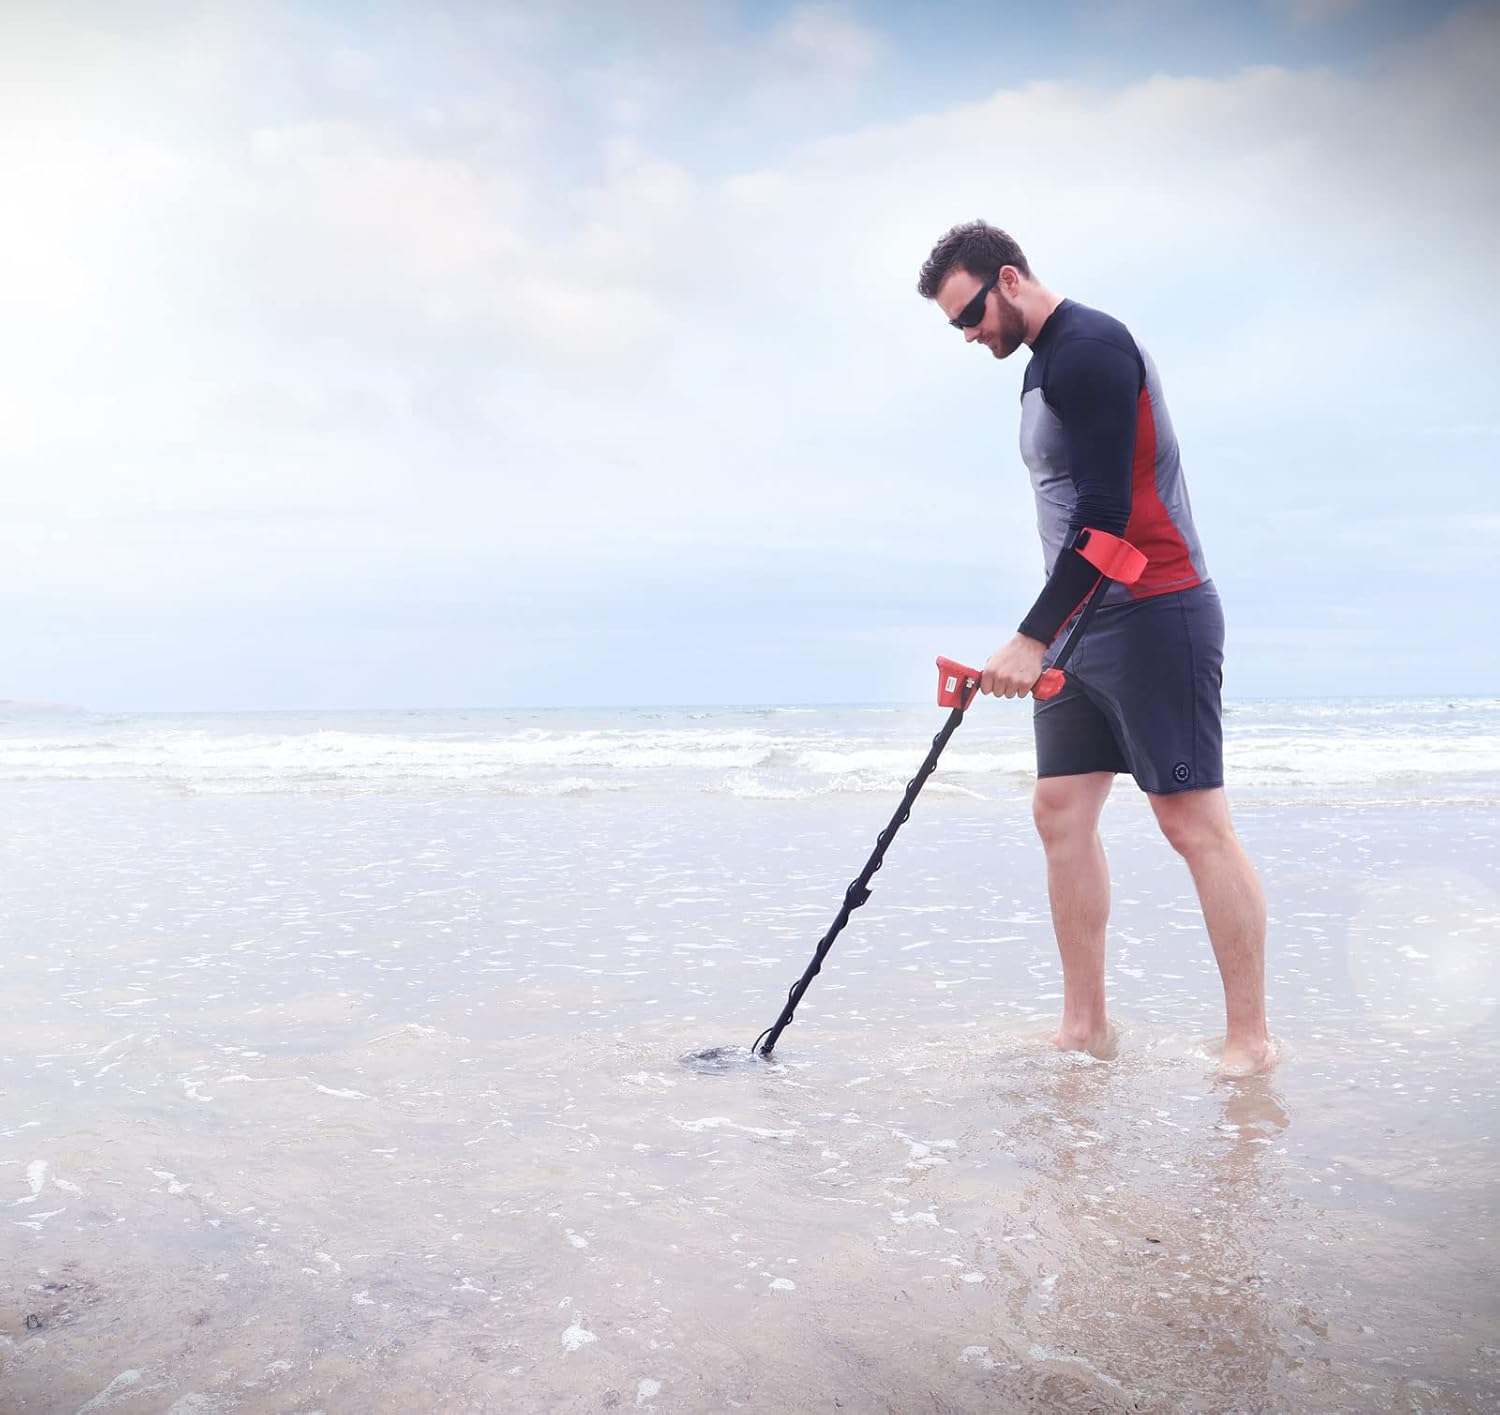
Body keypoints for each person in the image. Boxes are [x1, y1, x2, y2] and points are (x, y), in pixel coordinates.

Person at [916, 220, 1272, 1075]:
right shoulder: (1038, 366)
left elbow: (1108, 515)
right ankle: (1085, 1027)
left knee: (1193, 825)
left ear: (1008, 277)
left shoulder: (1091, 351)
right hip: (1083, 624)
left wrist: (1030, 636)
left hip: (1156, 611)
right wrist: (1052, 630)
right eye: (954, 327)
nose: (967, 337)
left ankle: (1250, 1042)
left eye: (969, 315)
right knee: (1060, 812)